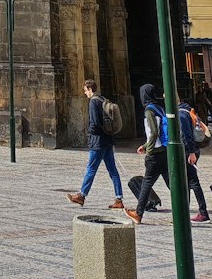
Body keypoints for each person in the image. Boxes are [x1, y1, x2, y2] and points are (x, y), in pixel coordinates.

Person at [66, 79, 124, 210]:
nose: (85, 94)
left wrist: (89, 133)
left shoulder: (93, 102)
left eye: (85, 91)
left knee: (91, 168)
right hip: (107, 140)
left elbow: (95, 122)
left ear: (90, 89)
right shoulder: (103, 99)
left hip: (97, 141)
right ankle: (119, 198)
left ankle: (82, 195)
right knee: (113, 170)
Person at [126, 84, 171, 225]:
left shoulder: (149, 111)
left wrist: (148, 149)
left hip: (155, 154)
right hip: (163, 151)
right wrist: (145, 146)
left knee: (146, 183)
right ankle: (182, 210)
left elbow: (154, 132)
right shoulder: (160, 108)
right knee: (171, 183)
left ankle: (138, 213)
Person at [177, 98, 210, 222]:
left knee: (193, 182)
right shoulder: (187, 110)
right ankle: (185, 211)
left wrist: (191, 152)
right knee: (187, 182)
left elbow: (187, 135)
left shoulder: (181, 114)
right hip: (192, 150)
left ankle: (203, 212)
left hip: (189, 151)